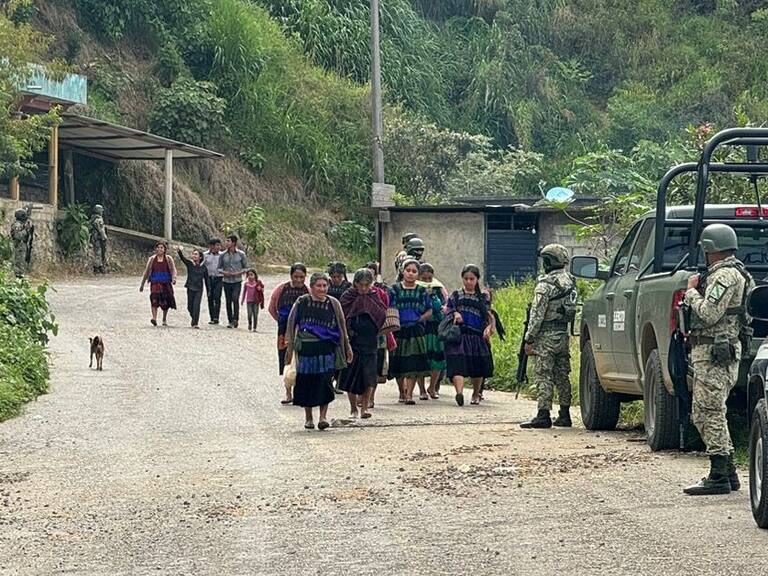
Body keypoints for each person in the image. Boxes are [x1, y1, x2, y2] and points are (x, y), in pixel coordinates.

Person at [683, 223, 754, 496]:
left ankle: (718, 475)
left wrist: (690, 291)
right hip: (719, 353)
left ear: (710, 249)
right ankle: (729, 473)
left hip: (714, 354)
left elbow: (708, 314)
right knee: (713, 411)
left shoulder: (724, 276)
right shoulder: (740, 273)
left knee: (707, 412)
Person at [285, 272, 353, 431]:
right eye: (319, 286)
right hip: (307, 349)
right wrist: (289, 346)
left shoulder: (333, 303)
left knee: (325, 381)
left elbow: (341, 327)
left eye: (325, 286)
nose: (322, 289)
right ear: (312, 287)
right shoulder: (302, 302)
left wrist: (346, 347)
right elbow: (291, 322)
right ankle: (309, 418)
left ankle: (323, 417)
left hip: (327, 348)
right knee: (306, 381)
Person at [520, 245, 577, 429]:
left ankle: (543, 415)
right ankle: (565, 414)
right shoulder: (570, 282)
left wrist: (529, 339)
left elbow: (537, 315)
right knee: (562, 375)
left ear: (548, 261)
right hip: (563, 335)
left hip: (545, 336)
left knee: (544, 374)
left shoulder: (545, 285)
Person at [339, 268, 387, 419]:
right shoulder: (348, 296)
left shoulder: (375, 296)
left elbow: (381, 313)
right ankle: (353, 408)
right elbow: (342, 315)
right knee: (351, 376)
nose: (365, 288)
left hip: (370, 341)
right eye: (361, 285)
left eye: (368, 285)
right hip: (352, 341)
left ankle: (364, 408)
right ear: (355, 284)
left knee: (369, 376)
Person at [445, 265, 495, 406]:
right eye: (466, 279)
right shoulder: (456, 295)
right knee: (457, 363)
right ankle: (459, 393)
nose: (468, 281)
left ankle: (475, 393)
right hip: (459, 335)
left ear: (477, 279)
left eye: (471, 279)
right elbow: (448, 309)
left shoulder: (483, 297)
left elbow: (489, 315)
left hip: (477, 335)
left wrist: (489, 328)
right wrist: (455, 313)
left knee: (477, 366)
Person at [389, 258, 432, 404]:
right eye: (408, 270)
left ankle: (409, 394)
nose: (411, 274)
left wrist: (420, 319)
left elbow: (430, 310)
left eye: (414, 271)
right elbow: (389, 308)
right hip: (398, 330)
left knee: (413, 363)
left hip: (416, 330)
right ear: (402, 271)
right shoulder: (394, 290)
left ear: (418, 274)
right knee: (399, 362)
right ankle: (401, 391)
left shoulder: (422, 291)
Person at [269, 263, 309, 404]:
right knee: (286, 359)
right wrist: (283, 324)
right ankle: (288, 393)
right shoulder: (282, 289)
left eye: (302, 277)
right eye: (296, 277)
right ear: (291, 276)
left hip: (303, 332)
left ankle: (300, 392)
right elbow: (272, 308)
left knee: (301, 361)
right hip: (284, 332)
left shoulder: (308, 291)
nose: (299, 280)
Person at [366, 261, 396, 409]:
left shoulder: (382, 293)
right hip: (360, 337)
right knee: (361, 368)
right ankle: (362, 395)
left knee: (376, 368)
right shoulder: (353, 294)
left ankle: (370, 397)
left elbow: (387, 311)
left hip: (379, 336)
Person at [418, 263, 448, 399]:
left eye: (429, 278)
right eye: (424, 278)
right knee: (421, 358)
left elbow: (443, 306)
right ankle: (422, 389)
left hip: (436, 327)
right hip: (422, 327)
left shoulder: (438, 289)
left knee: (437, 358)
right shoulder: (414, 290)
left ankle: (432, 387)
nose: (427, 281)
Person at [328, 262, 352, 393]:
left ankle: (339, 382)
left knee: (342, 352)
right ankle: (329, 381)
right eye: (333, 276)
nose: (336, 279)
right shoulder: (326, 286)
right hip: (328, 323)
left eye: (338, 276)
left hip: (343, 323)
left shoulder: (348, 287)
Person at [139, 242, 177, 326]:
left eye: (161, 248)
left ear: (164, 250)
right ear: (156, 249)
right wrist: (142, 284)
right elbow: (146, 271)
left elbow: (173, 269)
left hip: (166, 283)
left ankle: (164, 318)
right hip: (155, 283)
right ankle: (154, 318)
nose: (159, 249)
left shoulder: (168, 259)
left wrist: (174, 278)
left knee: (166, 301)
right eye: (158, 247)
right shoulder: (152, 259)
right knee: (154, 299)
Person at [218, 234, 249, 328]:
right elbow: (219, 268)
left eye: (228, 241)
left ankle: (236, 319)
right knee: (228, 300)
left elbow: (246, 267)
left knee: (235, 299)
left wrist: (239, 272)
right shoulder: (222, 255)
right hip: (226, 281)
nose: (226, 243)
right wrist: (224, 272)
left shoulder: (241, 254)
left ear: (234, 243)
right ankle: (230, 320)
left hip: (237, 281)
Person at [176, 246, 209, 329]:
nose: (194, 256)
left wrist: (209, 291)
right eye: (193, 254)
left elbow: (207, 280)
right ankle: (194, 317)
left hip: (199, 288)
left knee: (196, 306)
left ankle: (195, 323)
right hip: (190, 287)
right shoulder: (190, 264)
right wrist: (179, 251)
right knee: (190, 306)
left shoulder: (204, 268)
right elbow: (183, 258)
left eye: (196, 254)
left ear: (200, 257)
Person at [203, 238, 223, 325]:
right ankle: (212, 317)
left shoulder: (222, 255)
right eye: (216, 245)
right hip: (209, 278)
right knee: (210, 297)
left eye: (219, 245)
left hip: (219, 278)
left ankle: (216, 317)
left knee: (217, 297)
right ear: (211, 246)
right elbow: (201, 265)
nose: (218, 247)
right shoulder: (205, 255)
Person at [10, 209, 33, 278]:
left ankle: (21, 276)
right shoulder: (17, 224)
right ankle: (18, 277)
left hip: (22, 245)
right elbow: (17, 236)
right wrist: (26, 230)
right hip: (19, 245)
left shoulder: (21, 224)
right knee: (19, 262)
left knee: (23, 261)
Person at [90, 205, 108, 274]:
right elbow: (101, 230)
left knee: (97, 252)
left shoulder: (93, 218)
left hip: (95, 237)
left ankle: (99, 266)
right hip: (98, 238)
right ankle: (97, 267)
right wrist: (104, 237)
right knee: (99, 252)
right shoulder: (99, 219)